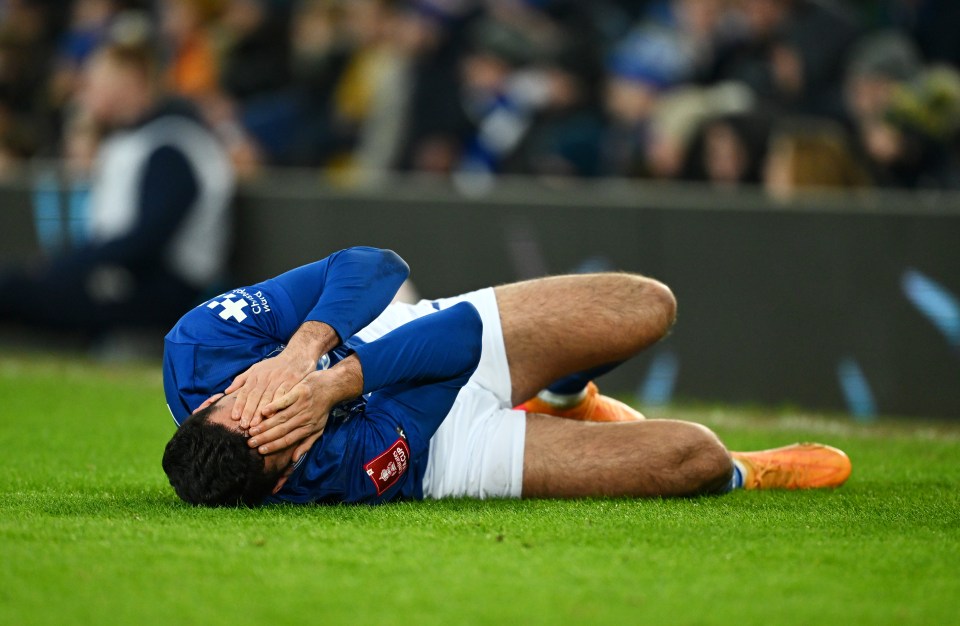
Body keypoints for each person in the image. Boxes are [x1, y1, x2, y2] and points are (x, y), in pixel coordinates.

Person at [161, 246, 852, 506]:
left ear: (213, 399)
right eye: (283, 429)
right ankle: (751, 471)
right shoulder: (336, 473)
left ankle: (562, 395)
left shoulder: (198, 347)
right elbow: (455, 349)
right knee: (693, 458)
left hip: (407, 330)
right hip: (442, 450)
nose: (276, 400)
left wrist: (300, 352)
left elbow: (375, 266)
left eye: (252, 397)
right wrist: (336, 388)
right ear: (282, 478)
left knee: (647, 306)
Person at [0, 40, 234, 337]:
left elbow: (148, 238)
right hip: (127, 277)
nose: (87, 91)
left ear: (131, 82)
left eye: (97, 80)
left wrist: (68, 267)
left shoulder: (171, 144)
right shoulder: (134, 140)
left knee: (13, 289)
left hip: (163, 291)